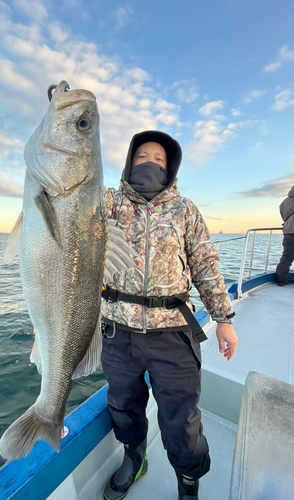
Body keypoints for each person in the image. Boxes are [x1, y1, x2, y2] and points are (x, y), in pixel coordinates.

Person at [101, 130, 238, 500]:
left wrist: (223, 318)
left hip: (174, 334)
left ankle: (188, 481)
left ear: (171, 166)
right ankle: (135, 457)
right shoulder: (108, 202)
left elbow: (205, 263)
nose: (150, 162)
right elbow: (69, 205)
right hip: (118, 333)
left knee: (181, 421)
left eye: (159, 159)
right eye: (142, 155)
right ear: (130, 161)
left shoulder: (185, 209)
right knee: (123, 406)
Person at [276, 186, 294, 286]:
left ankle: (281, 280)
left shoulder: (284, 202)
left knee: (286, 257)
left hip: (288, 232)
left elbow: (283, 217)